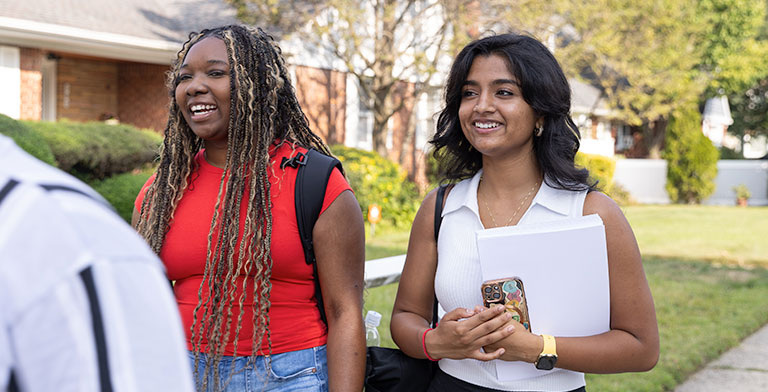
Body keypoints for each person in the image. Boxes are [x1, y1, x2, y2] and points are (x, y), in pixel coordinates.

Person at [390, 33, 659, 391]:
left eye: (504, 92)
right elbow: (405, 317)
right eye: (470, 93)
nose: (481, 105)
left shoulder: (592, 213)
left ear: (541, 114)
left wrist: (536, 348)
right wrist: (437, 342)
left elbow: (641, 348)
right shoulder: (440, 207)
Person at [132, 25, 366, 392]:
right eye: (185, 77)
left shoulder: (315, 181)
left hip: (291, 374)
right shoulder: (160, 192)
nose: (194, 86)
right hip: (182, 371)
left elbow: (345, 312)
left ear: (257, 84)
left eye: (215, 72)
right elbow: (145, 309)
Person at [0, 134, 193, 391]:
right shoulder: (160, 191)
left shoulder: (70, 228)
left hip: (263, 366)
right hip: (185, 352)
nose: (192, 90)